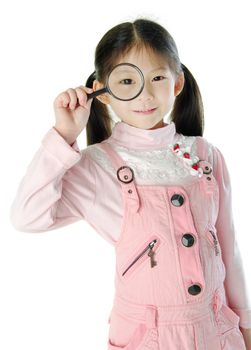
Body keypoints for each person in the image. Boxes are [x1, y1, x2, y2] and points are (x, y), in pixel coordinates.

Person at [10, 17, 251, 349]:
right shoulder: (95, 165)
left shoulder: (205, 155)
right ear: (102, 92)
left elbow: (229, 244)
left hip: (217, 331)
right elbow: (26, 216)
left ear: (177, 83)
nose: (146, 95)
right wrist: (64, 135)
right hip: (145, 336)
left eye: (157, 78)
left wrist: (246, 322)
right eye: (126, 81)